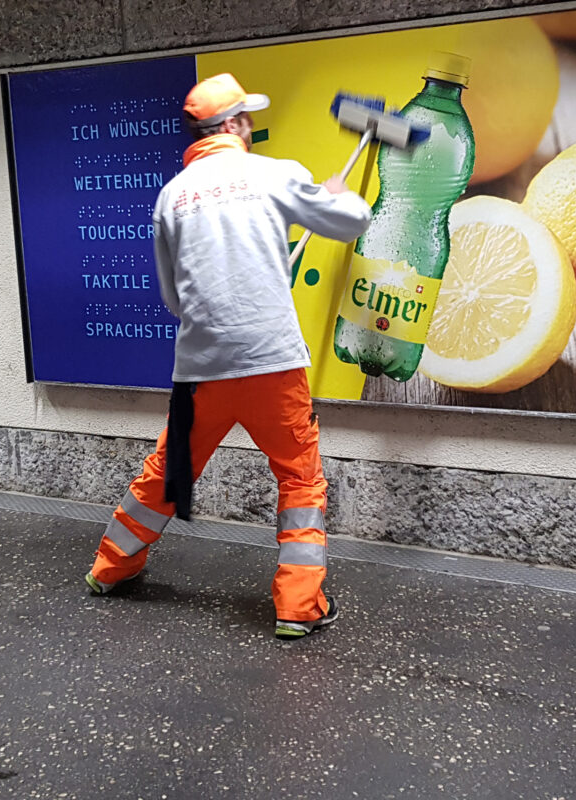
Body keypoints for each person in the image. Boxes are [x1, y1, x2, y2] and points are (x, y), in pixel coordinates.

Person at [85, 73, 371, 640]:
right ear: (237, 124)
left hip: (201, 369)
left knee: (169, 474)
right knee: (299, 481)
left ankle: (109, 570)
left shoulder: (172, 196)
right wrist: (338, 197)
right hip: (271, 364)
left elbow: (172, 297)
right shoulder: (273, 173)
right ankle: (298, 606)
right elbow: (352, 222)